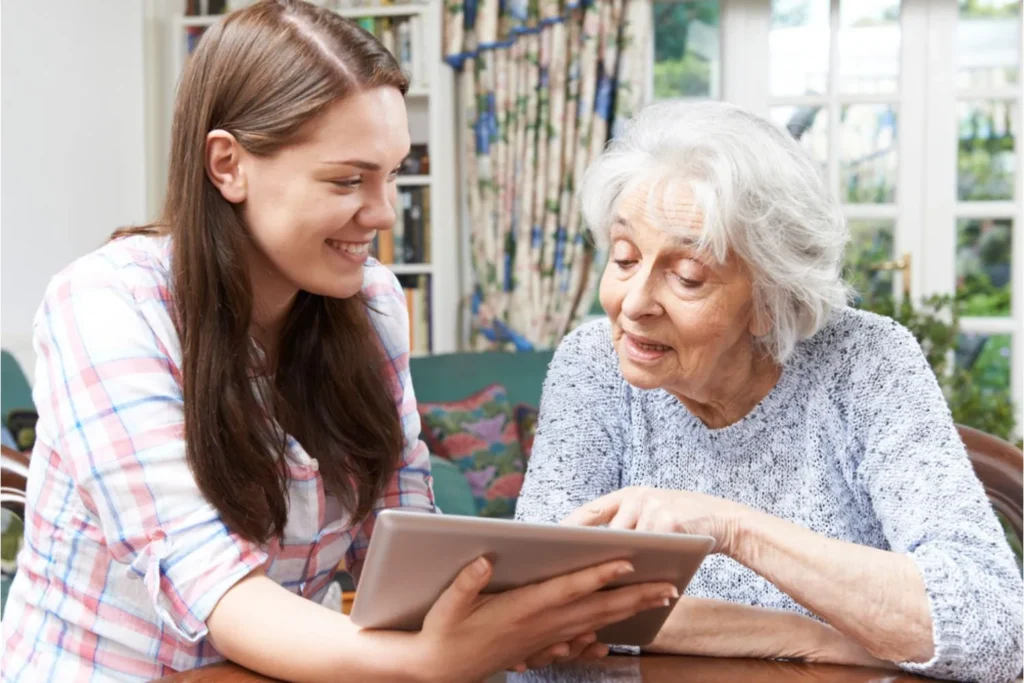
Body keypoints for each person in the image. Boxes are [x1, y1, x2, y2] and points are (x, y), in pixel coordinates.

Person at [0, 2, 677, 681]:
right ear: (228, 164)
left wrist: (519, 621)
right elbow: (213, 587)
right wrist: (426, 660)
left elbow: (407, 542)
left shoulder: (372, 301)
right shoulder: (105, 306)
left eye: (391, 174)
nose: (383, 213)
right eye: (348, 179)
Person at [515, 100, 1023, 683]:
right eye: (624, 258)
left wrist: (727, 526)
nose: (633, 304)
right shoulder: (593, 362)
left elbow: (994, 628)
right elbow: (541, 605)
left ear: (770, 301)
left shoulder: (866, 362)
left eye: (686, 277)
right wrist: (813, 638)